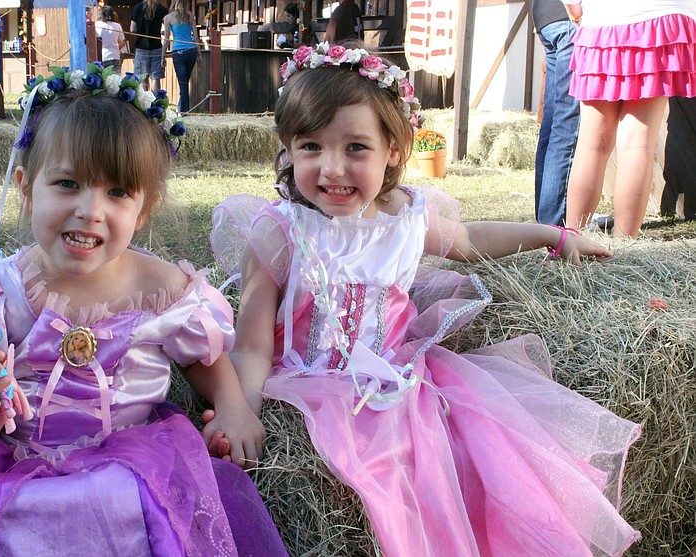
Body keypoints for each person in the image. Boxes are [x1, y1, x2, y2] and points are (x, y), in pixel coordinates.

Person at [208, 42, 641, 557]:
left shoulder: (403, 221)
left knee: (461, 463)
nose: (332, 168)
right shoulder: (281, 231)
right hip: (307, 381)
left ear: (393, 150)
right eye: (310, 147)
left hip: (396, 382)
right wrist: (240, 409)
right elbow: (253, 343)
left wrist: (553, 235)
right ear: (288, 149)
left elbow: (467, 241)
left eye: (355, 148)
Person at [0, 66, 288, 556]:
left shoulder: (162, 288)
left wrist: (231, 406)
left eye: (117, 192)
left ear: (142, 210)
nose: (91, 210)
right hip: (14, 462)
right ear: (26, 186)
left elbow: (201, 360)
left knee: (134, 506)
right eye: (68, 183)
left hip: (135, 457)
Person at [563, 0, 696, 237]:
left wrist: (573, 6)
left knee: (592, 144)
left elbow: (574, 6)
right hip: (662, 18)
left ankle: (571, 243)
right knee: (637, 143)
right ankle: (624, 247)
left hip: (603, 19)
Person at [531, 0, 580, 226]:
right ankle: (553, 224)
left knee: (552, 125)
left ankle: (546, 219)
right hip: (568, 18)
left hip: (544, 17)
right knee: (565, 126)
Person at [162, 0, 201, 114]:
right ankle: (182, 107)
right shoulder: (190, 16)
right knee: (184, 82)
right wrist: (199, 55)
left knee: (183, 83)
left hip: (178, 51)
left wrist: (162, 56)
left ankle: (184, 111)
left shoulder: (168, 18)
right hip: (191, 51)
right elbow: (196, 36)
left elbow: (166, 40)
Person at [131, 0, 168, 91]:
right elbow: (167, 27)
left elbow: (132, 29)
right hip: (156, 46)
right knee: (156, 77)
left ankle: (145, 102)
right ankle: (155, 101)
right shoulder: (161, 9)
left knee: (143, 77)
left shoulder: (137, 8)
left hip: (141, 46)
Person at [95, 6, 127, 72]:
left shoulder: (96, 25)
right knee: (116, 79)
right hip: (115, 55)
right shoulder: (117, 26)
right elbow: (121, 42)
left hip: (101, 56)